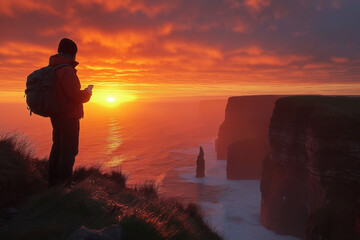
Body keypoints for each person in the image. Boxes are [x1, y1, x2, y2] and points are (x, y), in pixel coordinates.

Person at [48, 38, 92, 187]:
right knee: (69, 150)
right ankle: (64, 184)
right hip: (69, 115)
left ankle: (53, 181)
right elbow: (75, 96)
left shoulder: (53, 68)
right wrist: (87, 94)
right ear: (73, 53)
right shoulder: (66, 70)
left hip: (56, 114)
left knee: (58, 147)